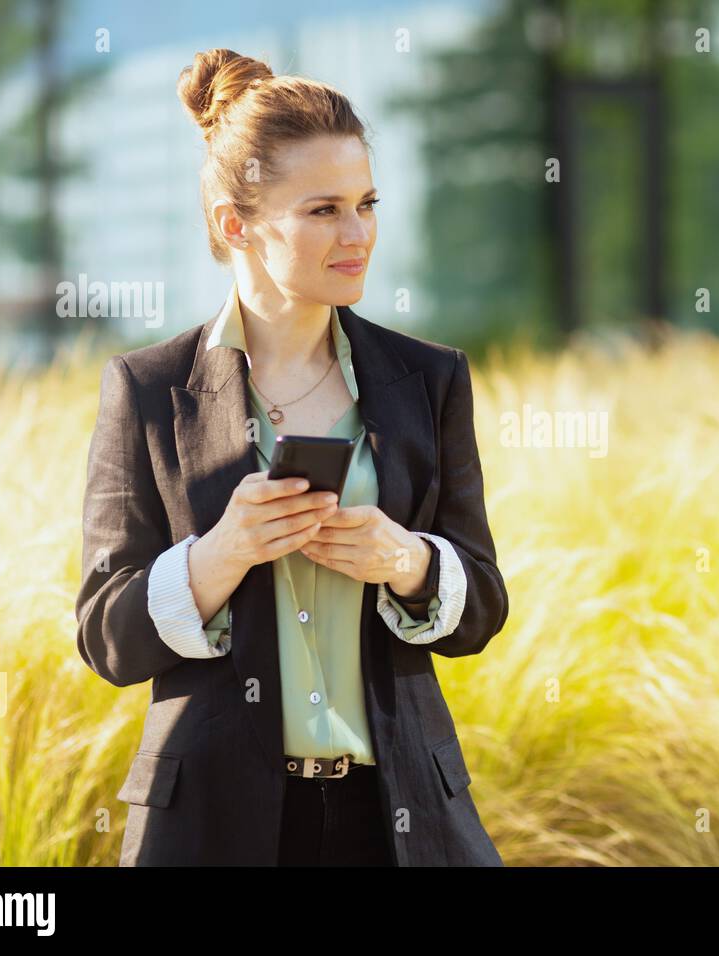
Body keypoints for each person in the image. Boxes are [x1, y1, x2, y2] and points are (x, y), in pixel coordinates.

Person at [74, 48, 508, 866]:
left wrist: (409, 561)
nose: (359, 235)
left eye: (367, 204)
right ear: (236, 224)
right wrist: (217, 558)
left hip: (399, 821)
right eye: (323, 211)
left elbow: (482, 602)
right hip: (212, 829)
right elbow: (107, 637)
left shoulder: (430, 379)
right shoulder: (146, 389)